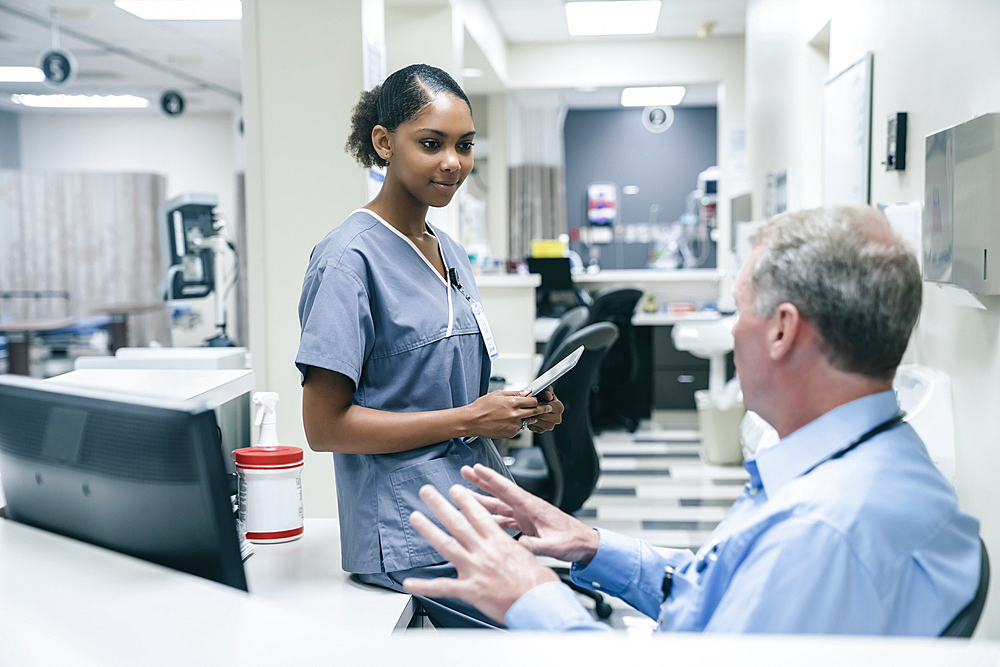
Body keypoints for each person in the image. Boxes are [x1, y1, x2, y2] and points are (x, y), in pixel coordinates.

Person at [402, 204, 983, 634]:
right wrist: (590, 546)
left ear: (782, 329)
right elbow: (724, 589)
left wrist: (532, 597)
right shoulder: (874, 466)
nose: (732, 330)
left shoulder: (820, 533)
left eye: (739, 309)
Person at [295, 63, 564, 629]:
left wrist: (515, 408)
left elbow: (438, 386)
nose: (453, 162)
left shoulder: (449, 250)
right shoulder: (348, 262)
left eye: (464, 145)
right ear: (383, 143)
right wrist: (469, 417)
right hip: (411, 535)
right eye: (431, 143)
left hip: (480, 509)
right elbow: (325, 428)